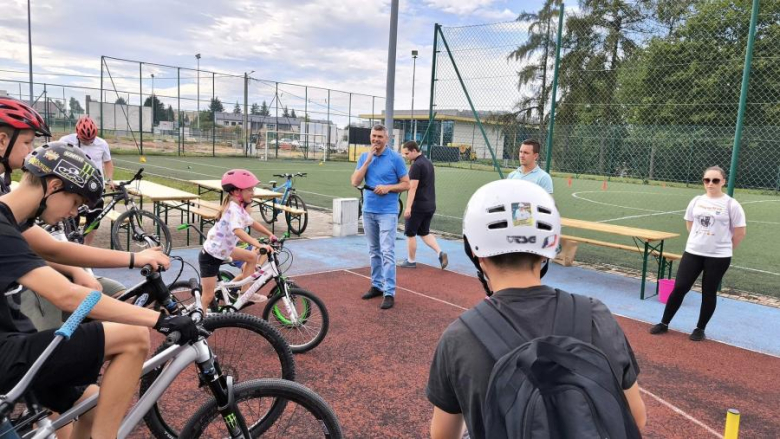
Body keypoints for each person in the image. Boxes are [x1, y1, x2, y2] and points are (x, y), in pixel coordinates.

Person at [0, 142, 197, 438]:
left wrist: (135, 259)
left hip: (15, 337)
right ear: (54, 186)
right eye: (76, 203)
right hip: (5, 352)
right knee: (133, 337)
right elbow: (65, 295)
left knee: (90, 405)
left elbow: (57, 251)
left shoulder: (12, 219)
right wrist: (160, 321)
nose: (73, 213)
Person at [426, 179, 646, 439]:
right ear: (548, 250)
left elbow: (442, 435)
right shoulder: (595, 315)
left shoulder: (460, 337)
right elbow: (636, 418)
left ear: (474, 251)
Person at [0, 100, 157, 331]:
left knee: (117, 301)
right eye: (27, 142)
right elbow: (55, 269)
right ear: (3, 140)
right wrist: (157, 321)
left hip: (28, 282)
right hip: (18, 302)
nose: (29, 150)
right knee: (128, 335)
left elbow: (48, 248)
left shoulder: (7, 194)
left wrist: (132, 259)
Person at [649, 166, 746, 341]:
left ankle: (700, 328)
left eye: (715, 180)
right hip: (693, 252)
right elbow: (690, 224)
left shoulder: (731, 204)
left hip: (718, 257)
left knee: (708, 291)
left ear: (723, 182)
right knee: (680, 287)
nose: (710, 184)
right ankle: (664, 323)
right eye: (707, 180)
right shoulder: (696, 201)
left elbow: (740, 232)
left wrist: (725, 248)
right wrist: (699, 240)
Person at [350, 124, 410, 310]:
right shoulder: (363, 157)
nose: (376, 140)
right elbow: (355, 182)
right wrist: (367, 161)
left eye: (380, 137)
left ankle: (389, 291)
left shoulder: (396, 159)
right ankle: (376, 285)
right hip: (368, 210)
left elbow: (406, 184)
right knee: (374, 250)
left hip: (388, 212)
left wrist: (388, 188)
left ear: (387, 139)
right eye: (374, 136)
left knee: (387, 251)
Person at [199, 169, 276, 312]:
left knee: (252, 257)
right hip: (211, 255)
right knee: (208, 297)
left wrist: (269, 233)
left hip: (224, 249)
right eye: (249, 190)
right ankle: (197, 323)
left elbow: (252, 222)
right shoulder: (233, 209)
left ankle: (245, 292)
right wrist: (258, 244)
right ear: (236, 192)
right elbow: (238, 231)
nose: (253, 193)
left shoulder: (239, 209)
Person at [59, 116, 115, 246]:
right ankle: (71, 246)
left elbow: (107, 162)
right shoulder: (66, 141)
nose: (88, 142)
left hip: (96, 187)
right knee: (73, 218)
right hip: (74, 186)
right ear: (77, 134)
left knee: (94, 221)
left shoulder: (102, 143)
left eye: (91, 140)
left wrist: (110, 179)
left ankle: (86, 247)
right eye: (85, 140)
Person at [398, 140, 447, 269]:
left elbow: (412, 188)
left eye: (407, 153)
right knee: (424, 232)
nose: (406, 156)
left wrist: (408, 207)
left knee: (410, 233)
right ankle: (440, 252)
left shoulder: (416, 166)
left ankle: (411, 261)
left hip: (418, 206)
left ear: (414, 150)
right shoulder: (428, 163)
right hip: (430, 204)